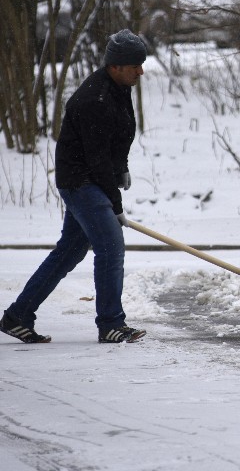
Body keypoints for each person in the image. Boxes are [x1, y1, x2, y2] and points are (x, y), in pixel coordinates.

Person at [1, 29, 149, 344]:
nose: (141, 70)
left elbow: (116, 139)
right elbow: (95, 158)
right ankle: (110, 323)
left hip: (92, 179)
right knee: (110, 247)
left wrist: (120, 170)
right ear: (116, 65)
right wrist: (115, 204)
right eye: (135, 64)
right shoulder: (95, 98)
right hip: (82, 182)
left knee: (69, 252)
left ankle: (17, 316)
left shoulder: (118, 89)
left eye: (141, 63)